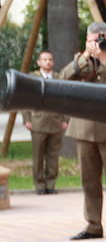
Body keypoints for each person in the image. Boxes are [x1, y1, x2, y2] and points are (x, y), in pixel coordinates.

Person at [60, 22, 106, 240]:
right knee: (89, 180)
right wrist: (85, 57)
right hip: (83, 128)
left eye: (100, 40)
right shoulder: (80, 60)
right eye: (92, 40)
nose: (96, 44)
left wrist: (104, 60)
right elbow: (62, 79)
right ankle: (93, 225)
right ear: (87, 40)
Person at [22, 50, 67, 195]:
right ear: (39, 62)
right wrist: (27, 119)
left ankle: (50, 185)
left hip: (56, 122)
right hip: (38, 122)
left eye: (50, 59)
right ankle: (39, 186)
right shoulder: (32, 78)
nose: (48, 62)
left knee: (53, 157)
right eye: (45, 59)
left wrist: (66, 119)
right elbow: (25, 100)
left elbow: (66, 100)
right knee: (38, 157)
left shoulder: (59, 78)